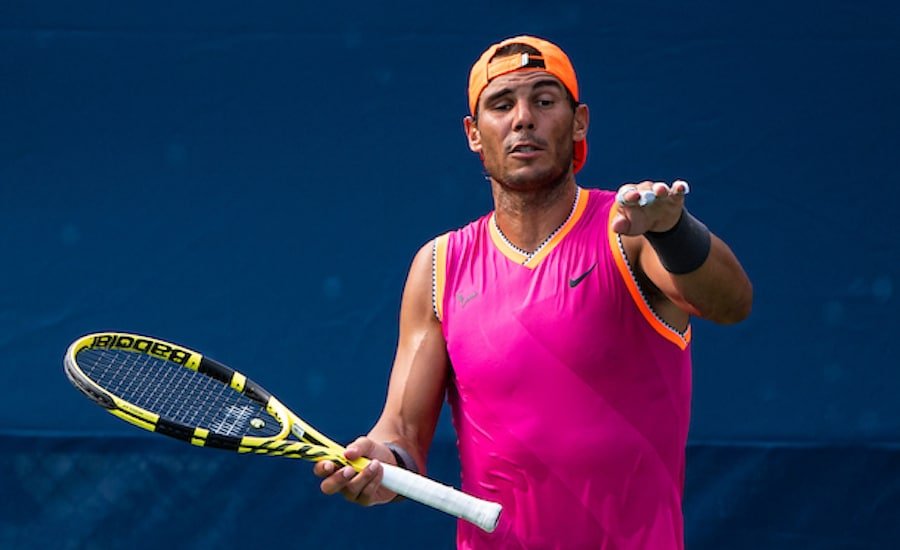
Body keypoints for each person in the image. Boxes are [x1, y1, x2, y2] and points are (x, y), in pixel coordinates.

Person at [314, 35, 752, 549]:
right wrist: (380, 467)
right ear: (474, 134)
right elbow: (403, 435)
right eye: (502, 105)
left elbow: (731, 303)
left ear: (580, 121)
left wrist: (673, 229)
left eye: (544, 101)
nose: (523, 119)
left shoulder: (629, 232)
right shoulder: (438, 267)